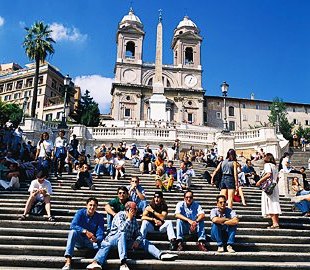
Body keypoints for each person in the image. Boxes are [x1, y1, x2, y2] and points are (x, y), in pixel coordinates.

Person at [86, 201, 178, 270]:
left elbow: (139, 234)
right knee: (122, 234)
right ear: (129, 209)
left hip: (126, 241)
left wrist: (137, 241)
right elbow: (122, 229)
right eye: (135, 209)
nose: (137, 210)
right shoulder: (119, 215)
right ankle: (123, 262)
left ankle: (160, 255)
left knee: (144, 241)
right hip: (113, 240)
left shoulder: (134, 219)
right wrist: (129, 219)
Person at [61, 197, 105, 270]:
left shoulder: (99, 217)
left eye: (94, 205)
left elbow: (100, 232)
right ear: (86, 205)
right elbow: (73, 225)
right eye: (90, 205)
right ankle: (68, 261)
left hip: (91, 242)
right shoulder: (80, 213)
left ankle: (96, 262)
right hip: (80, 240)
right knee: (72, 232)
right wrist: (85, 231)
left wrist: (96, 239)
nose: (92, 207)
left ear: (97, 207)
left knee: (106, 244)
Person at [256, 153, 281, 229]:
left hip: (268, 186)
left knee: (270, 203)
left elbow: (268, 174)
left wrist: (259, 181)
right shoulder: (275, 166)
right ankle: (276, 222)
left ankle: (275, 223)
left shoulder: (267, 165)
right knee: (275, 203)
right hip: (274, 186)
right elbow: (277, 178)